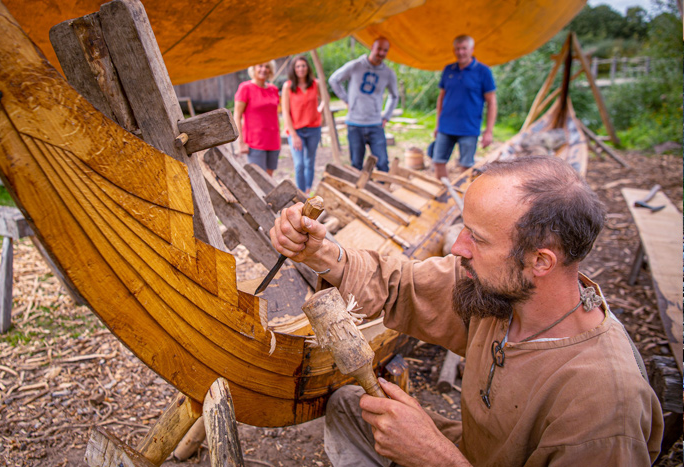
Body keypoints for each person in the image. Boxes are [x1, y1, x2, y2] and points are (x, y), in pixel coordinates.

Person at [269, 155, 663, 466]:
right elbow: (400, 284)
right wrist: (320, 252)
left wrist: (435, 459)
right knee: (348, 407)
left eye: (477, 238)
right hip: (470, 455)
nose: (458, 247)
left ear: (541, 261)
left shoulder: (604, 407)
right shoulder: (499, 292)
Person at [328, 37, 399, 172]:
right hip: (355, 123)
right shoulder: (356, 66)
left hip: (375, 124)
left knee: (382, 162)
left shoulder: (388, 73)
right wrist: (347, 99)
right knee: (356, 164)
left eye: (385, 50)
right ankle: (358, 191)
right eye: (379, 49)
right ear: (372, 47)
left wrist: (386, 116)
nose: (381, 53)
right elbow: (334, 80)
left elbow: (394, 96)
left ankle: (382, 190)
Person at [433, 35, 498, 180]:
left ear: (472, 50)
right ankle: (443, 196)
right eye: (457, 49)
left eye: (464, 48)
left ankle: (462, 199)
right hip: (446, 127)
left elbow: (492, 102)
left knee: (466, 166)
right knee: (438, 161)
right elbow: (441, 97)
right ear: (454, 50)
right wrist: (438, 124)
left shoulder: (483, 71)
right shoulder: (448, 70)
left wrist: (489, 131)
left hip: (469, 129)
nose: (460, 52)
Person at [282, 56, 323, 194]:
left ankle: (307, 191)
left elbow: (325, 99)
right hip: (296, 130)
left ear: (308, 67)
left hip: (313, 129)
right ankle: (300, 193)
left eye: (303, 66)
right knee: (299, 164)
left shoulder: (315, 84)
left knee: (309, 162)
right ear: (294, 69)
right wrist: (293, 135)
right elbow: (285, 112)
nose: (301, 69)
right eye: (298, 66)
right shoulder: (288, 86)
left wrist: (320, 111)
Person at [234, 61, 280, 176]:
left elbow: (275, 115)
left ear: (270, 70)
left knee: (269, 177)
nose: (263, 69)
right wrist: (241, 142)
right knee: (258, 178)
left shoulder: (273, 89)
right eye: (260, 66)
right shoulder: (245, 88)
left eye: (267, 67)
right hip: (255, 142)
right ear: (254, 68)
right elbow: (237, 115)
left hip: (273, 140)